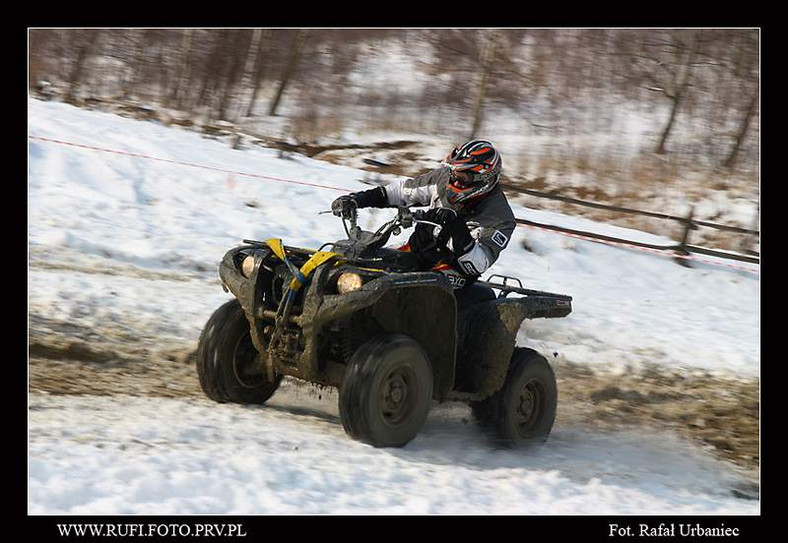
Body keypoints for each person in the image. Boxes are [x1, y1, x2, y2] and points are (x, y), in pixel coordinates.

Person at [331, 139, 516, 310]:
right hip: (416, 251)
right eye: (453, 171)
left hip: (452, 272)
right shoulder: (443, 179)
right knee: (362, 262)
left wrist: (455, 226)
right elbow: (402, 192)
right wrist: (358, 199)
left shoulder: (500, 217)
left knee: (404, 297)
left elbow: (477, 264)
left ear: (484, 177)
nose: (454, 179)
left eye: (462, 175)